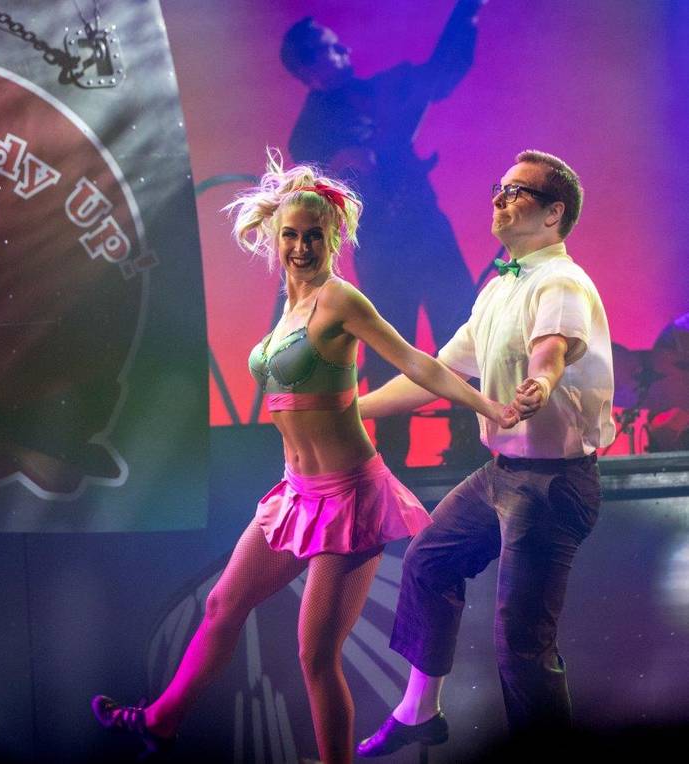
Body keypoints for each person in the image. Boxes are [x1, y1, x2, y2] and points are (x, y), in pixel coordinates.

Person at [91, 151, 516, 763]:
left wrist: (487, 405)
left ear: (332, 238)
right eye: (290, 235)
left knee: (315, 656)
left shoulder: (340, 300)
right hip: (296, 494)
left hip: (350, 499)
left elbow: (417, 363)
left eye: (313, 236)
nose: (300, 247)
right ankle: (159, 723)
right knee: (221, 605)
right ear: (276, 237)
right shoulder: (289, 311)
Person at [356, 150, 615, 756]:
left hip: (554, 486)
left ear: (553, 214)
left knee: (521, 641)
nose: (500, 197)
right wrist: (351, 410)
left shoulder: (559, 280)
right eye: (500, 186)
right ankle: (419, 711)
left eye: (517, 191)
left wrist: (541, 383)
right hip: (502, 474)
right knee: (428, 562)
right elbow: (437, 374)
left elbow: (552, 351)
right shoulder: (500, 287)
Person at [281, 0, 487, 467]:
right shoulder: (309, 133)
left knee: (459, 328)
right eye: (329, 47)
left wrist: (468, 12)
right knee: (390, 342)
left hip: (427, 229)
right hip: (382, 245)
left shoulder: (381, 89)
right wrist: (345, 162)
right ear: (309, 69)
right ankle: (391, 456)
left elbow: (440, 74)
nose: (343, 49)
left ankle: (468, 442)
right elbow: (328, 177)